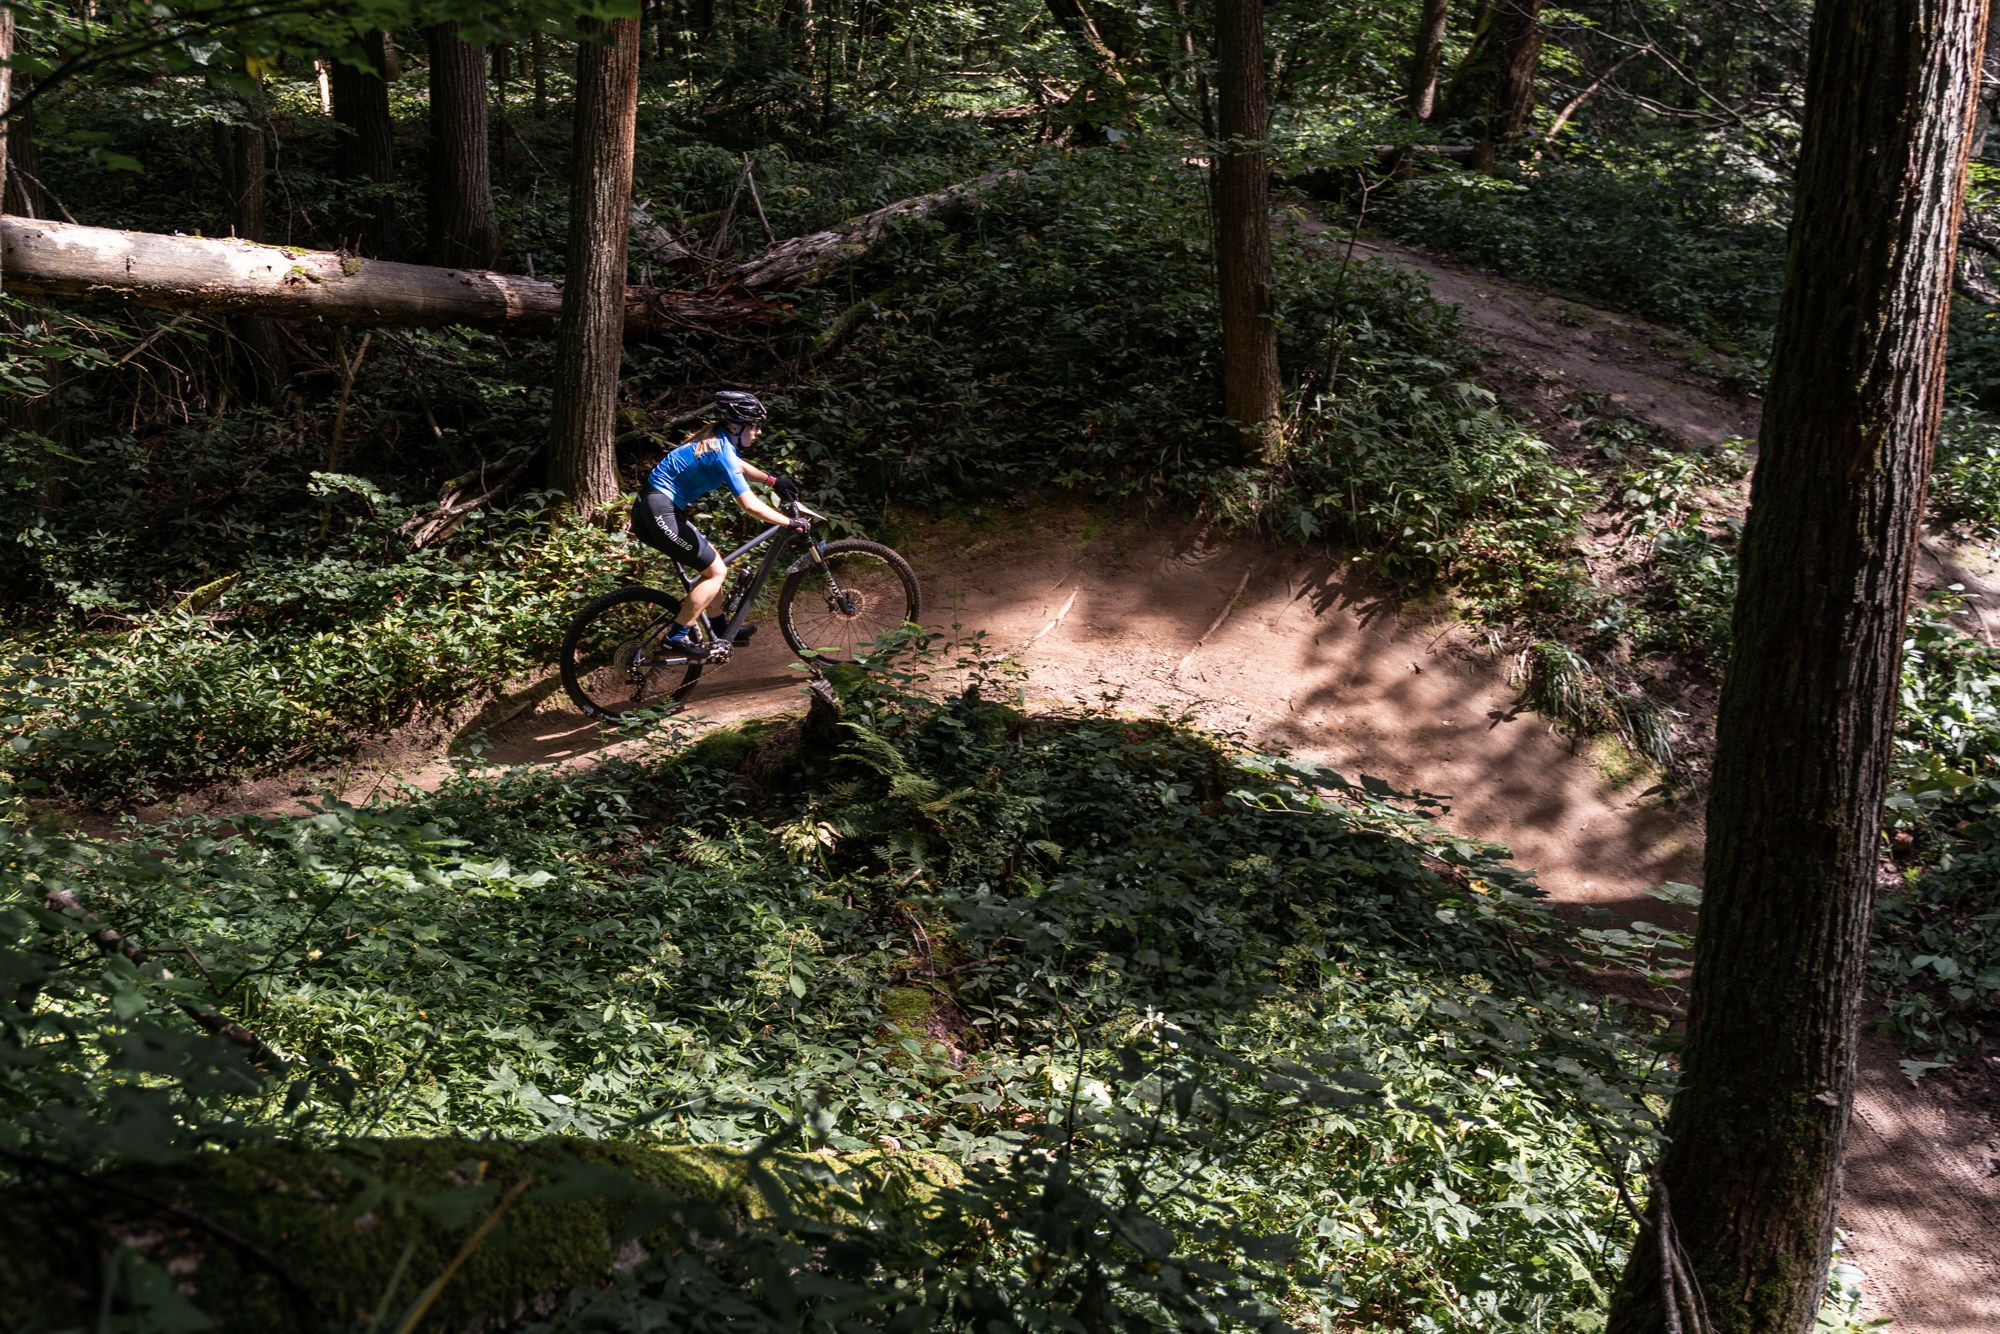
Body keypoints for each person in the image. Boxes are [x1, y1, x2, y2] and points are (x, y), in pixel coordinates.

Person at [630, 390, 803, 660]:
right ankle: (675, 638)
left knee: (712, 563)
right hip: (659, 510)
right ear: (735, 426)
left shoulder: (717, 440)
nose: (757, 432)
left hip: (653, 507)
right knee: (715, 572)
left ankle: (721, 627)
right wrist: (790, 522)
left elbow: (738, 465)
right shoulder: (720, 448)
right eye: (753, 425)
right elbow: (750, 505)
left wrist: (772, 480)